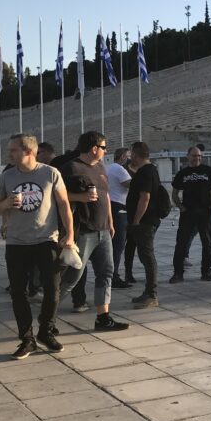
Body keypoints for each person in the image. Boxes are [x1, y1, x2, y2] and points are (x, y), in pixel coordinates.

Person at [0, 134, 75, 358]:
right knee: (18, 293)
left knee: (52, 291)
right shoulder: (7, 176)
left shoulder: (50, 173)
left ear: (28, 152)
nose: (9, 154)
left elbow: (64, 204)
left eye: (13, 150)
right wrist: (6, 204)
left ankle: (46, 331)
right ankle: (27, 339)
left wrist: (70, 235)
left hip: (46, 240)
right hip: (17, 243)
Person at [58, 132, 130, 331]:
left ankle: (103, 317)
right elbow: (58, 196)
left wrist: (110, 221)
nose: (106, 151)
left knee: (106, 272)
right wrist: (80, 198)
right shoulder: (71, 168)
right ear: (94, 148)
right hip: (83, 230)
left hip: (103, 230)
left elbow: (105, 195)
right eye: (104, 148)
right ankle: (48, 316)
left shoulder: (100, 167)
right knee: (72, 276)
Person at [169, 146, 211, 284]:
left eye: (199, 156)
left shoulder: (209, 171)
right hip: (188, 213)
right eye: (194, 155)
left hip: (205, 212)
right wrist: (180, 207)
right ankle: (178, 273)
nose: (197, 158)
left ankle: (206, 272)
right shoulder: (183, 173)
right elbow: (174, 193)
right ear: (188, 156)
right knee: (181, 243)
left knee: (207, 243)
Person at [126, 141, 162, 308]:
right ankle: (148, 292)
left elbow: (144, 197)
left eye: (131, 153)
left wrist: (136, 220)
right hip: (146, 220)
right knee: (145, 255)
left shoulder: (146, 172)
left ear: (135, 154)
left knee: (147, 257)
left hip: (145, 222)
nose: (130, 157)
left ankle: (151, 294)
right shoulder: (149, 170)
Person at [107, 147, 133, 289]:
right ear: (123, 156)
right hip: (118, 207)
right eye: (128, 156)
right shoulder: (119, 169)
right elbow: (132, 185)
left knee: (114, 244)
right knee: (118, 244)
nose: (130, 158)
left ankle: (110, 275)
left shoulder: (110, 167)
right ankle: (114, 277)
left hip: (112, 205)